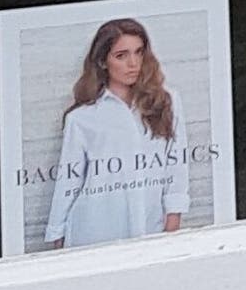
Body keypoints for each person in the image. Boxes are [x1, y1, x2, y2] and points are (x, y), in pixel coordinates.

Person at [43, 17, 191, 250]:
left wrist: (172, 223)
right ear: (103, 61)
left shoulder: (166, 102)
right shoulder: (81, 118)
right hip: (95, 229)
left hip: (151, 227)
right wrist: (58, 235)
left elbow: (177, 169)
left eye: (138, 52)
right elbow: (69, 181)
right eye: (121, 56)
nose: (133, 63)